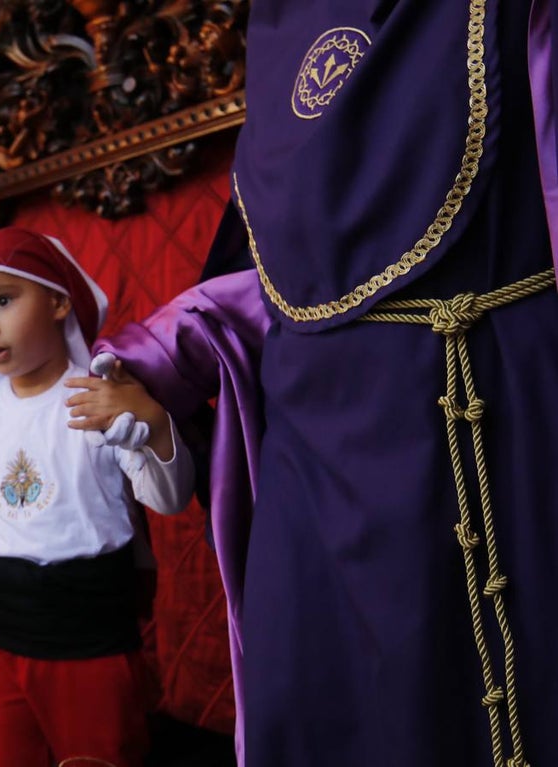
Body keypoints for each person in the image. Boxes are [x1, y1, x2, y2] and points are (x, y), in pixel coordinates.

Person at [87, 2, 558, 765]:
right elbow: (273, 278)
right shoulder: (280, 23)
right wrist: (160, 354)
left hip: (465, 425)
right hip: (306, 469)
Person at [0, 227, 196, 767]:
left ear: (56, 299)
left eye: (3, 301)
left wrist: (152, 425)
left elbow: (168, 500)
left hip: (89, 649)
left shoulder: (98, 397)